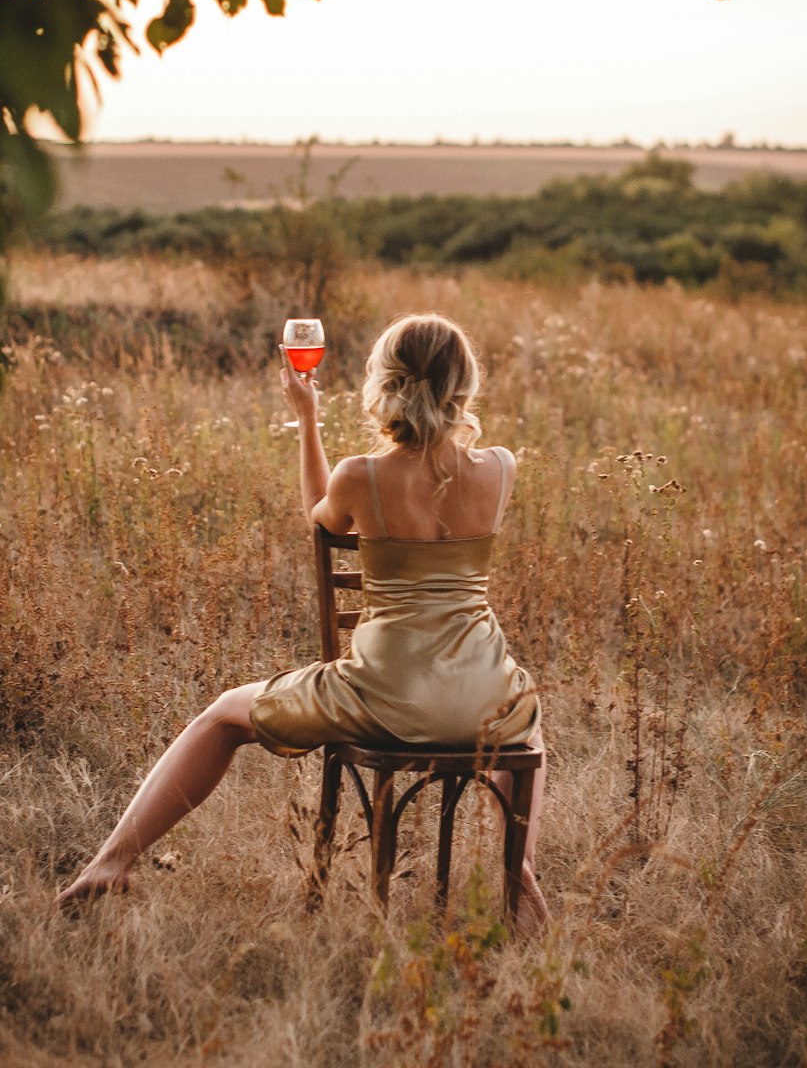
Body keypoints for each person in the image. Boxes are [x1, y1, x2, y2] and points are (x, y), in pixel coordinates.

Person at [59, 313, 548, 929]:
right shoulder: (502, 467)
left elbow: (321, 518)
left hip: (386, 697)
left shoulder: (361, 477)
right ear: (466, 386)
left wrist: (308, 419)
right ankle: (520, 870)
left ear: (385, 383)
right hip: (484, 698)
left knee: (221, 717)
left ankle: (113, 861)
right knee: (527, 724)